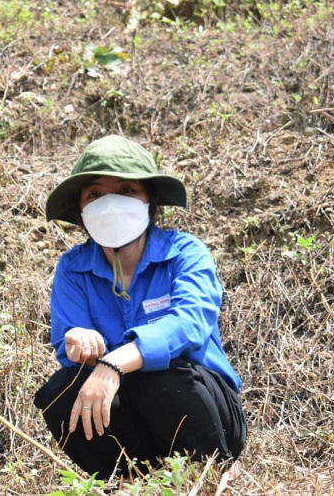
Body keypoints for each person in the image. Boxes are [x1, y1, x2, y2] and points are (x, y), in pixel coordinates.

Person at [33, 135, 247, 480]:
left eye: (127, 190)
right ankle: (131, 480)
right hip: (129, 415)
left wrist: (114, 363)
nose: (111, 204)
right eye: (95, 194)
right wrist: (80, 342)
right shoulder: (72, 268)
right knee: (62, 392)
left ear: (150, 200)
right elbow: (68, 343)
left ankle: (211, 472)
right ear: (82, 210)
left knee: (157, 376)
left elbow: (190, 324)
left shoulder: (185, 253)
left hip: (202, 409)